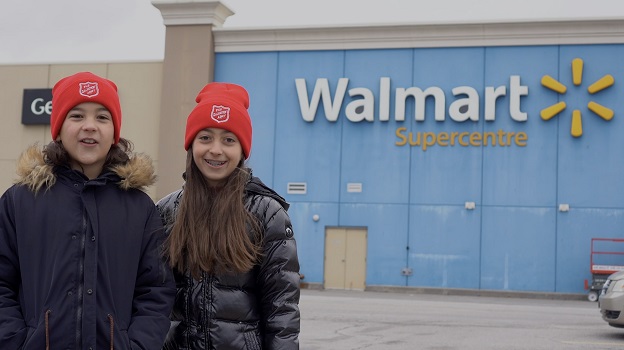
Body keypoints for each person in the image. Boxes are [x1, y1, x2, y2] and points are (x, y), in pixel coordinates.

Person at [0, 71, 176, 349]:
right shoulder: (19, 201)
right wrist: (14, 342)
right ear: (58, 128)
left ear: (114, 132)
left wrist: (137, 345)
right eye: (77, 115)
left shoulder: (140, 208)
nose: (90, 126)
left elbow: (155, 291)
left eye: (102, 117)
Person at [157, 82, 300, 349]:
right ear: (191, 144)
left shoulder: (267, 214)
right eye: (205, 137)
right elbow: (151, 298)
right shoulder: (166, 211)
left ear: (242, 150)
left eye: (229, 140)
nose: (216, 149)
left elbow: (282, 310)